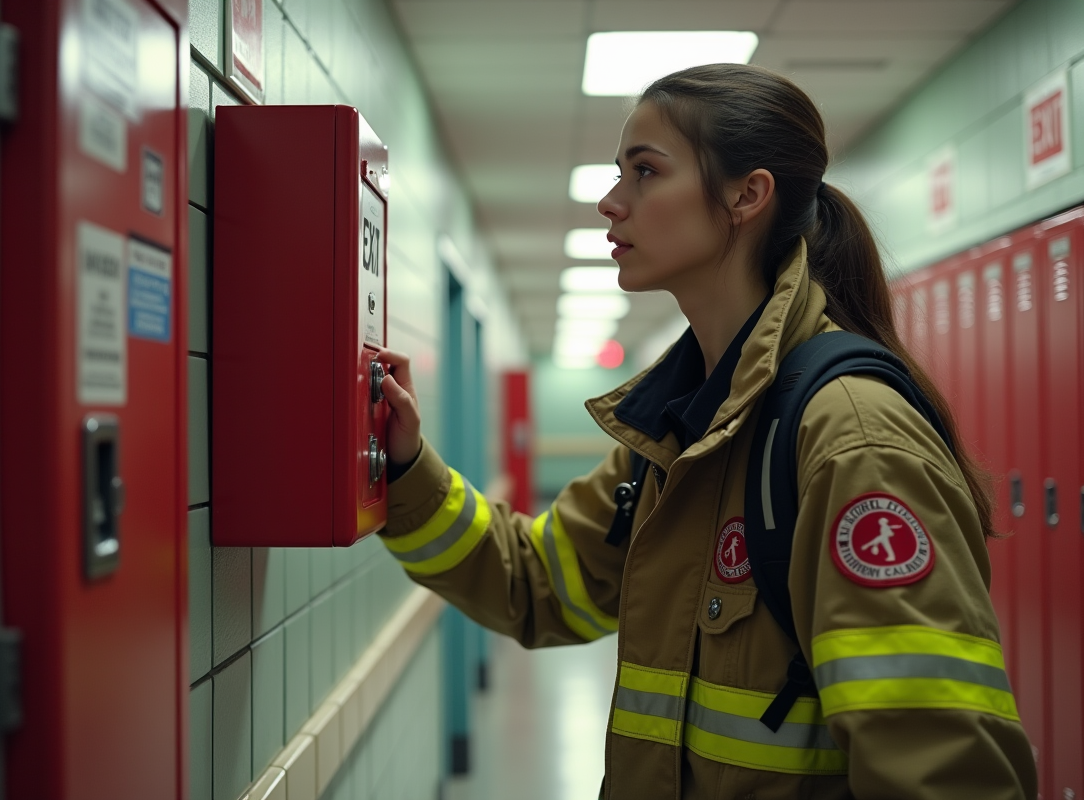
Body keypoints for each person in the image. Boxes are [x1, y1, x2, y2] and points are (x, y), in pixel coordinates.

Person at [374, 64, 1036, 799]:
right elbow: (539, 584)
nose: (610, 201)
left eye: (645, 171)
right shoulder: (674, 428)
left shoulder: (850, 440)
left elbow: (941, 773)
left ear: (746, 196)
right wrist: (402, 466)